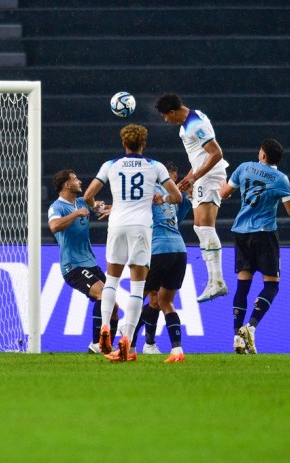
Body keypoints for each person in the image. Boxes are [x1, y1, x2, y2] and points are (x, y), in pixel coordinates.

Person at [83, 124, 182, 362]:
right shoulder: (155, 166)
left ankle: (105, 326)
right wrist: (162, 198)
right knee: (138, 288)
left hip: (117, 225)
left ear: (123, 144)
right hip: (141, 228)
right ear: (144, 144)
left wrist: (97, 206)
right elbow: (177, 196)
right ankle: (126, 338)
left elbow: (87, 196)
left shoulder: (110, 165)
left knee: (112, 280)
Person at [219, 139, 290, 354]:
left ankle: (237, 335)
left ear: (262, 155)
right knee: (272, 285)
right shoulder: (281, 180)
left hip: (241, 233)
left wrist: (219, 186)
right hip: (264, 235)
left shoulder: (244, 168)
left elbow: (224, 193)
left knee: (243, 286)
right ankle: (251, 326)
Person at [155, 93, 229, 303]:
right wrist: (188, 179)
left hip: (209, 176)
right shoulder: (192, 119)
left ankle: (217, 281)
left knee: (204, 227)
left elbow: (216, 153)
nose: (165, 120)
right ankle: (215, 280)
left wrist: (195, 176)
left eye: (165, 116)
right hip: (203, 176)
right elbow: (200, 156)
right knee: (201, 228)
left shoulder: (194, 124)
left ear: (173, 112)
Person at [47, 169, 119, 354]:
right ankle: (97, 344)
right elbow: (54, 226)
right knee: (102, 295)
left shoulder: (82, 202)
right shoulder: (57, 207)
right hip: (73, 266)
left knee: (114, 305)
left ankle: (107, 346)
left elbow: (101, 207)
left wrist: (113, 209)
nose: (80, 181)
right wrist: (76, 214)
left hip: (90, 263)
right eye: (75, 178)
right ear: (67, 184)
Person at [128, 162, 192, 363]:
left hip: (158, 249)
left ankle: (129, 346)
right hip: (179, 250)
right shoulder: (171, 196)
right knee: (165, 302)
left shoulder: (147, 192)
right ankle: (177, 350)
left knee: (139, 298)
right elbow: (179, 212)